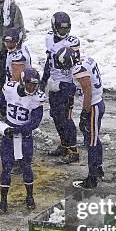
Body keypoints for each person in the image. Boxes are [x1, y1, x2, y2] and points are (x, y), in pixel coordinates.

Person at [0, 68, 45, 213]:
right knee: (6, 168)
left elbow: (35, 122)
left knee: (26, 167)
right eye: (29, 84)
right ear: (22, 82)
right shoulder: (10, 90)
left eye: (35, 85)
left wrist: (17, 130)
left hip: (25, 137)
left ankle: (30, 196)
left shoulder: (37, 98)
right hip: (8, 136)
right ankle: (3, 200)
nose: (32, 88)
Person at [53, 47, 105, 189]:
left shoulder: (77, 69)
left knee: (91, 143)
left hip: (93, 106)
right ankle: (98, 169)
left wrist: (84, 114)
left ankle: (92, 178)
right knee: (92, 139)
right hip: (97, 103)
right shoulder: (86, 60)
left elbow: (87, 92)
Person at [40, 12, 81, 164]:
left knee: (66, 118)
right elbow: (49, 60)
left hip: (66, 83)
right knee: (55, 116)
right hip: (54, 82)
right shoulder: (49, 38)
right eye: (61, 29)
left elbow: (76, 65)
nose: (64, 32)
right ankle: (64, 144)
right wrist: (44, 80)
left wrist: (70, 86)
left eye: (66, 29)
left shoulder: (72, 42)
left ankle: (73, 151)